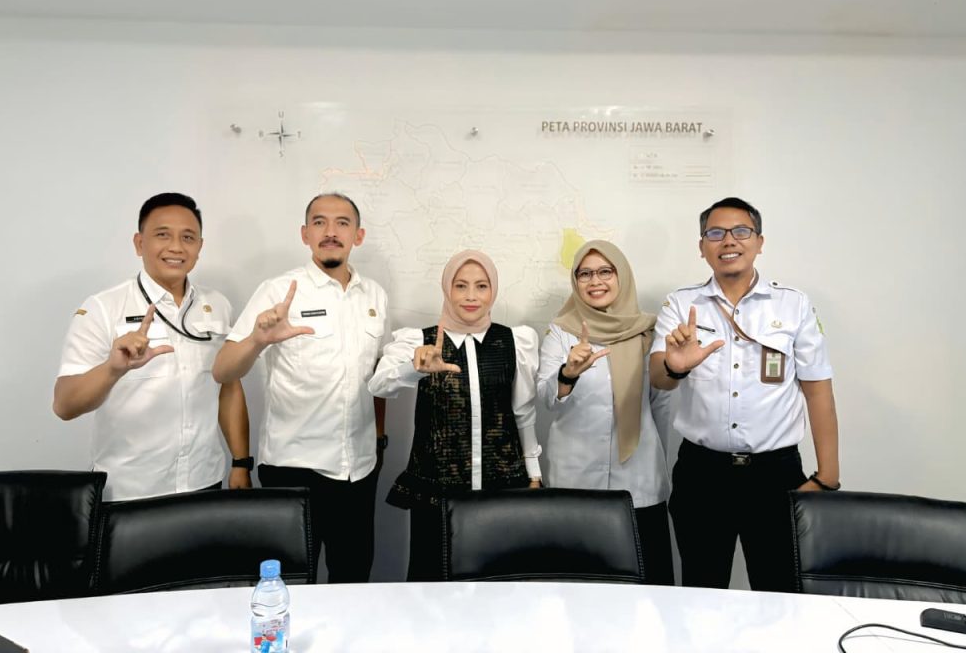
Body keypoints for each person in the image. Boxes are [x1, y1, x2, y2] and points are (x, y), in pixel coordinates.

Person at [648, 196, 839, 591]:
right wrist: (675, 366)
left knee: (780, 592)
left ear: (759, 242)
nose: (728, 241)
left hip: (775, 475)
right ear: (702, 247)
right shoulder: (682, 304)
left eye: (741, 231)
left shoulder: (793, 305)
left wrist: (827, 477)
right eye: (715, 233)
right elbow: (658, 379)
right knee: (701, 590)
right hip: (702, 474)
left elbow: (818, 390)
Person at [213, 193, 388, 583]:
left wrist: (379, 439)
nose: (331, 232)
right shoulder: (278, 291)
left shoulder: (375, 295)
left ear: (358, 236)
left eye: (342, 223)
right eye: (320, 222)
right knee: (289, 585)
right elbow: (223, 369)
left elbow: (377, 373)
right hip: (293, 469)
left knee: (352, 580)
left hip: (359, 469)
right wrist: (257, 340)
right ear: (305, 234)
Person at [54, 192, 251, 501]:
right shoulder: (103, 308)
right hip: (129, 490)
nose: (176, 247)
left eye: (188, 237)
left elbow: (228, 386)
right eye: (163, 235)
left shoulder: (218, 305)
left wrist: (240, 462)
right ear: (139, 243)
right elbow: (64, 405)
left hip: (204, 480)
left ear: (199, 247)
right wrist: (112, 369)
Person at [368, 250, 542, 581]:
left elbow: (523, 410)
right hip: (437, 491)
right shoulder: (420, 341)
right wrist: (415, 368)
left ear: (493, 290)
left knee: (499, 583)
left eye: (481, 286)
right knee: (433, 584)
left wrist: (534, 472)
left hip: (502, 486)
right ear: (447, 289)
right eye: (461, 286)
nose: (471, 296)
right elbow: (379, 385)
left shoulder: (514, 340)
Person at [536, 240, 674, 585]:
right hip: (575, 476)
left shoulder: (650, 332)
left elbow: (661, 406)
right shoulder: (562, 331)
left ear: (621, 275)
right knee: (577, 586)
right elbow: (546, 398)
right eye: (584, 274)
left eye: (605, 271)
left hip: (639, 477)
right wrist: (568, 374)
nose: (595, 281)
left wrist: (654, 454)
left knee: (648, 589)